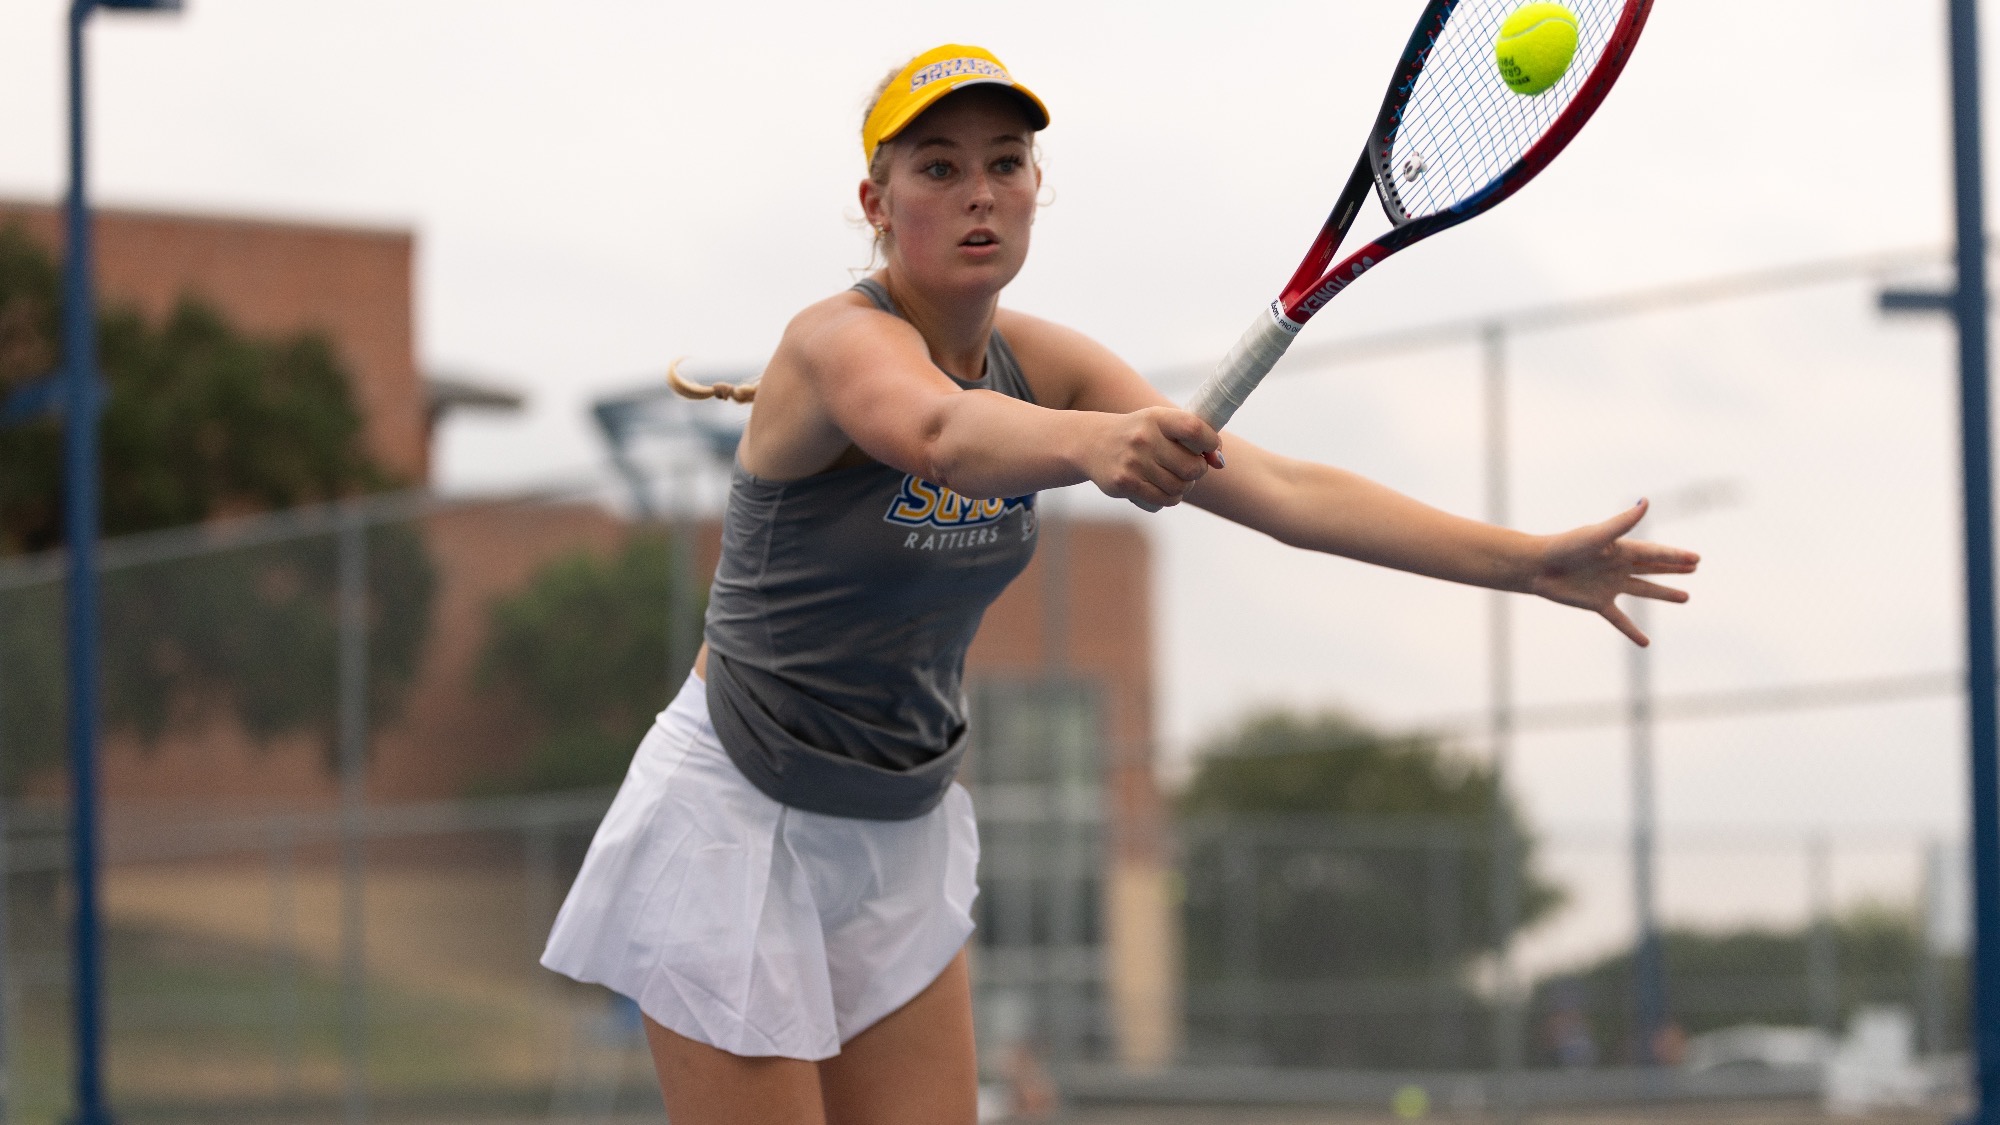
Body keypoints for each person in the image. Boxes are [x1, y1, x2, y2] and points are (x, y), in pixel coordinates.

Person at [541, 43, 1699, 1125]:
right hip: (738, 818)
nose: (978, 191)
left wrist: (1521, 562)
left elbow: (1281, 489)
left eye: (1005, 164)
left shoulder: (1048, 361)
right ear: (876, 204)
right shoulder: (834, 343)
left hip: (898, 826)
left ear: (1038, 188)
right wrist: (1088, 445)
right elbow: (939, 430)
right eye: (937, 168)